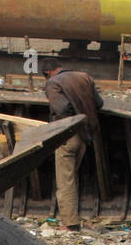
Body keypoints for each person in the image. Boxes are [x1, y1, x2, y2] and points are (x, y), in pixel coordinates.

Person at [42, 57, 104, 231]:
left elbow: (61, 109)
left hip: (68, 135)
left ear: (47, 73)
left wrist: (57, 128)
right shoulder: (84, 77)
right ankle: (73, 217)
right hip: (86, 133)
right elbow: (99, 103)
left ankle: (70, 223)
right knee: (72, 177)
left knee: (65, 180)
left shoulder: (53, 83)